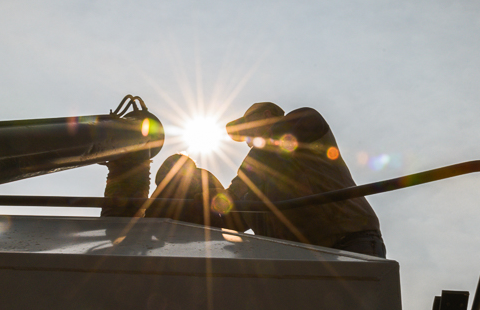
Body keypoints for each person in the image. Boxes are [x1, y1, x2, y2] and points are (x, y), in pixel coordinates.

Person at [224, 103, 386, 258]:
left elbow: (271, 146)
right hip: (302, 255)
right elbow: (232, 219)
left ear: (267, 115)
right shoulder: (257, 182)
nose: (248, 141)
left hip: (348, 241)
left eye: (248, 128)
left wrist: (235, 189)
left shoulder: (304, 121)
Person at [144, 153, 230, 228]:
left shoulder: (204, 177)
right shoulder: (163, 190)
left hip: (206, 229)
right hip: (205, 231)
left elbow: (225, 200)